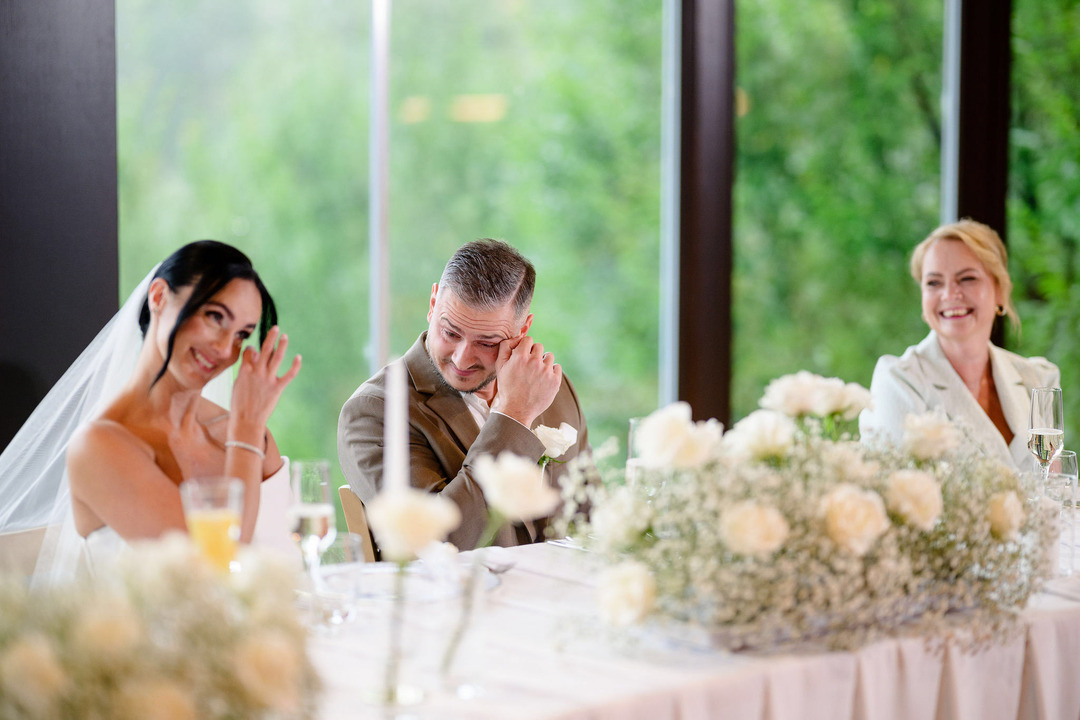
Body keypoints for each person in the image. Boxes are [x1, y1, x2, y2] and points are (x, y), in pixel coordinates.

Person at [0, 240, 301, 583]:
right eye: (215, 316)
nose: (224, 349)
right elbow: (213, 579)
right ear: (158, 297)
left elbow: (293, 571)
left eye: (241, 335)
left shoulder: (245, 435)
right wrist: (246, 435)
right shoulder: (98, 447)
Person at [338, 239, 589, 550]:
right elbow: (437, 543)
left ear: (523, 330)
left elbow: (592, 520)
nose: (461, 358)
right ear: (432, 305)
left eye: (486, 342)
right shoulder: (374, 412)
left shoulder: (553, 388)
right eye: (450, 332)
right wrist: (513, 416)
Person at [859, 220, 1059, 470]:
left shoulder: (1037, 379)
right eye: (933, 283)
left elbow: (1056, 492)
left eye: (966, 278)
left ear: (999, 288)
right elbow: (898, 492)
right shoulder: (900, 381)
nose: (949, 294)